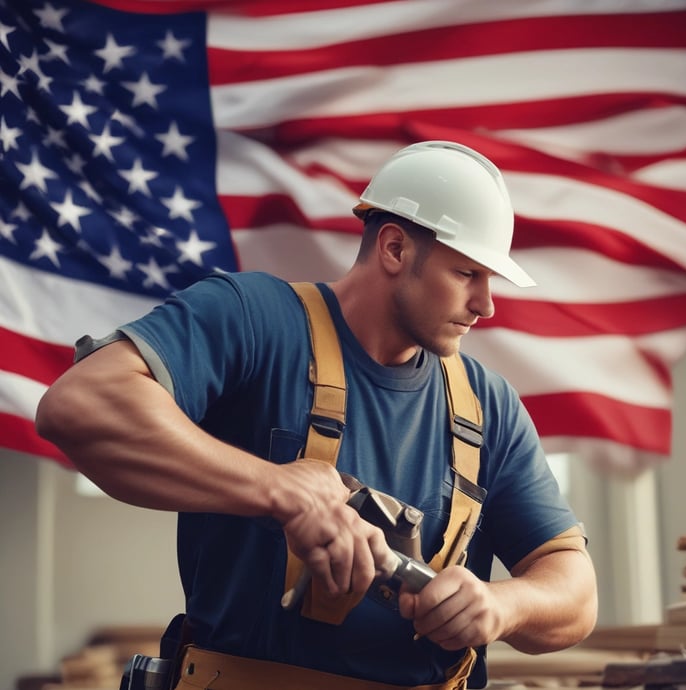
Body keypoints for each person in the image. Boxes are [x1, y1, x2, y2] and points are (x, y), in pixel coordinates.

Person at [36, 141, 598, 690]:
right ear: (395, 249)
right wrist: (279, 491)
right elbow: (81, 405)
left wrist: (504, 604)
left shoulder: (488, 407)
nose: (486, 304)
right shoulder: (255, 320)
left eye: (489, 279)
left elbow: (576, 593)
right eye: (466, 274)